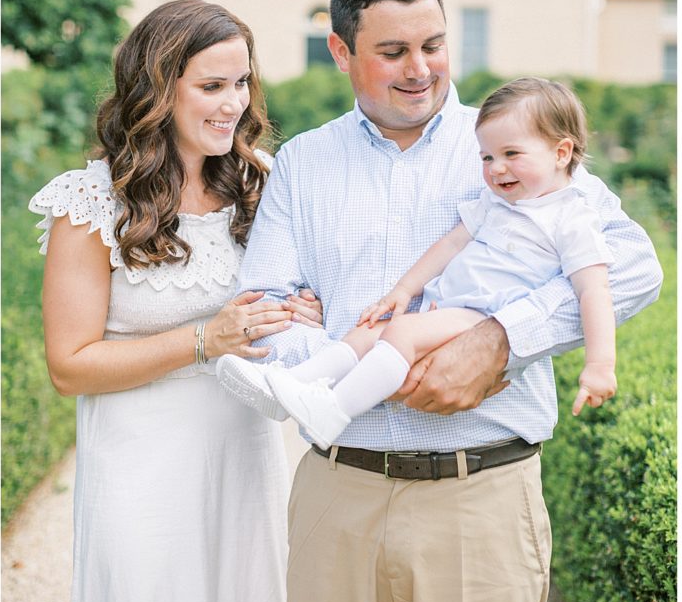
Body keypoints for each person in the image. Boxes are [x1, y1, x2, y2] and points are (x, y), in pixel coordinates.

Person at [215, 0, 663, 602]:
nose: (419, 68)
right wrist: (337, 344)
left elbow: (635, 266)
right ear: (340, 51)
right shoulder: (302, 163)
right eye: (392, 52)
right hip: (339, 494)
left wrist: (500, 339)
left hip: (479, 496)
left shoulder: (511, 142)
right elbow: (265, 308)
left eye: (433, 44)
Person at [28, 0, 324, 602]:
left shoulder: (263, 181)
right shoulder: (92, 202)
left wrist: (304, 310)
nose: (234, 104)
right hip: (139, 468)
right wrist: (202, 340)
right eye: (212, 86)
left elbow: (286, 306)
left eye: (242, 83)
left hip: (244, 457)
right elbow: (69, 366)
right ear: (160, 92)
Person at [218, 76, 618, 451]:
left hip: (485, 316)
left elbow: (595, 290)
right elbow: (450, 244)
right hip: (447, 307)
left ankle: (334, 409)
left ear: (561, 152)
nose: (496, 169)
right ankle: (292, 383)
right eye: (487, 157)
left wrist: (599, 365)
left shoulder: (573, 217)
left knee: (403, 332)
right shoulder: (498, 202)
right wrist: (402, 291)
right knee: (369, 331)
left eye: (512, 155)